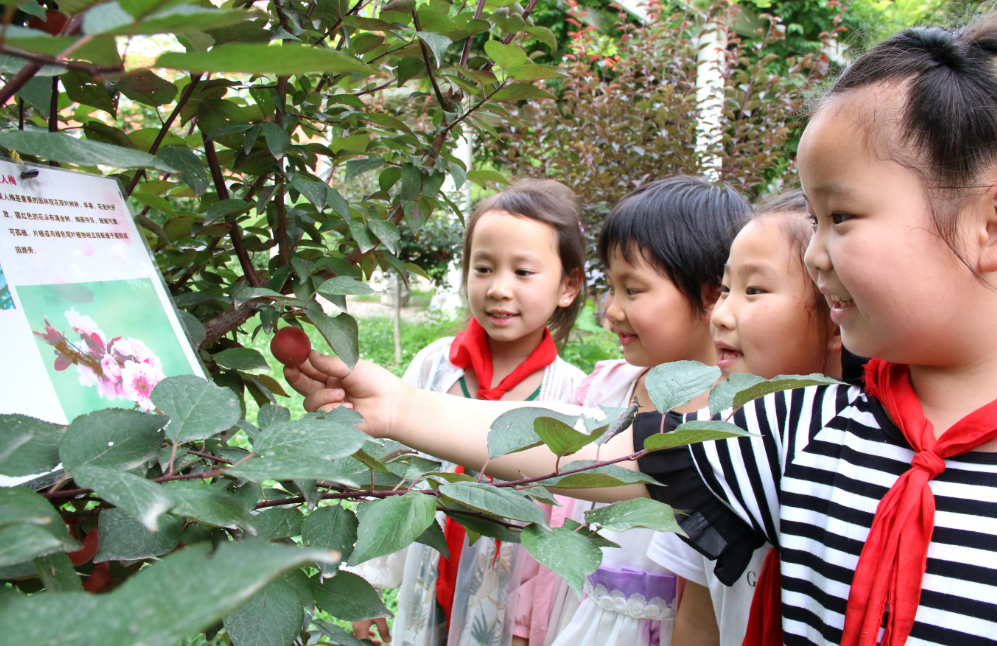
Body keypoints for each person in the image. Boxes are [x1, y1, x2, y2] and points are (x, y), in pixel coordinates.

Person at [289, 17, 997, 645]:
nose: (815, 255)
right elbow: (599, 445)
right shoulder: (803, 430)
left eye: (839, 217)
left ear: (987, 226)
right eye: (811, 221)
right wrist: (404, 409)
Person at [351, 179, 588, 646]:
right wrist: (368, 581)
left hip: (511, 614)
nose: (499, 288)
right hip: (430, 584)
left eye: (523, 272)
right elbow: (393, 476)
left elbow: (567, 523)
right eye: (483, 268)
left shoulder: (571, 395)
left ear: (568, 285)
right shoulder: (435, 368)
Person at [540, 177, 749, 646]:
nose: (611, 311)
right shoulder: (608, 388)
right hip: (586, 616)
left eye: (633, 290)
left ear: (713, 294)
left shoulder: (737, 412)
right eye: (610, 288)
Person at [646, 190, 841, 646]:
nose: (721, 315)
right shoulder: (712, 451)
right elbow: (698, 620)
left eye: (754, 290)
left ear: (836, 314)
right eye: (726, 289)